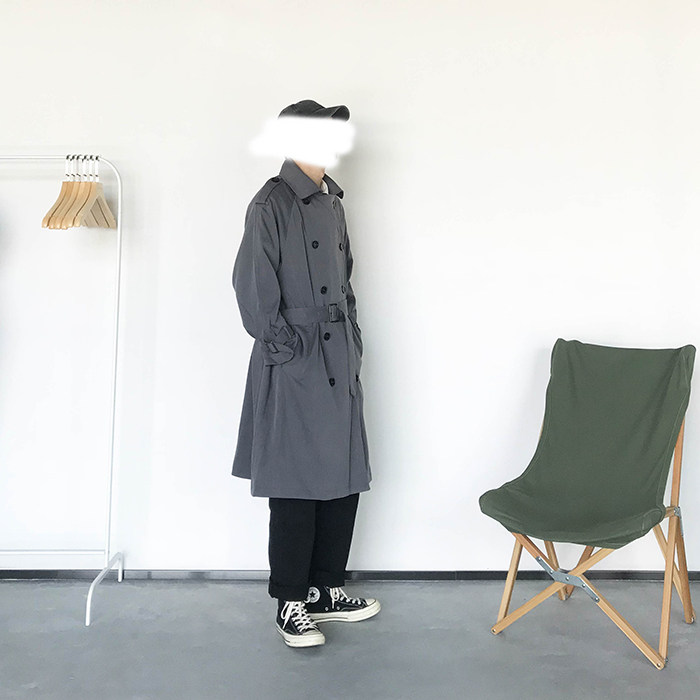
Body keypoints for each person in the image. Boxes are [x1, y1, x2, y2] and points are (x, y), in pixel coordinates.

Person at [231, 99, 380, 648]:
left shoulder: (333, 202)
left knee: (342, 474)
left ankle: (325, 589)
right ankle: (290, 601)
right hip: (294, 357)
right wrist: (286, 348)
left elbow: (346, 281)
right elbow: (252, 286)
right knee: (295, 482)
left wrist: (351, 340)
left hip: (337, 353)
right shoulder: (271, 202)